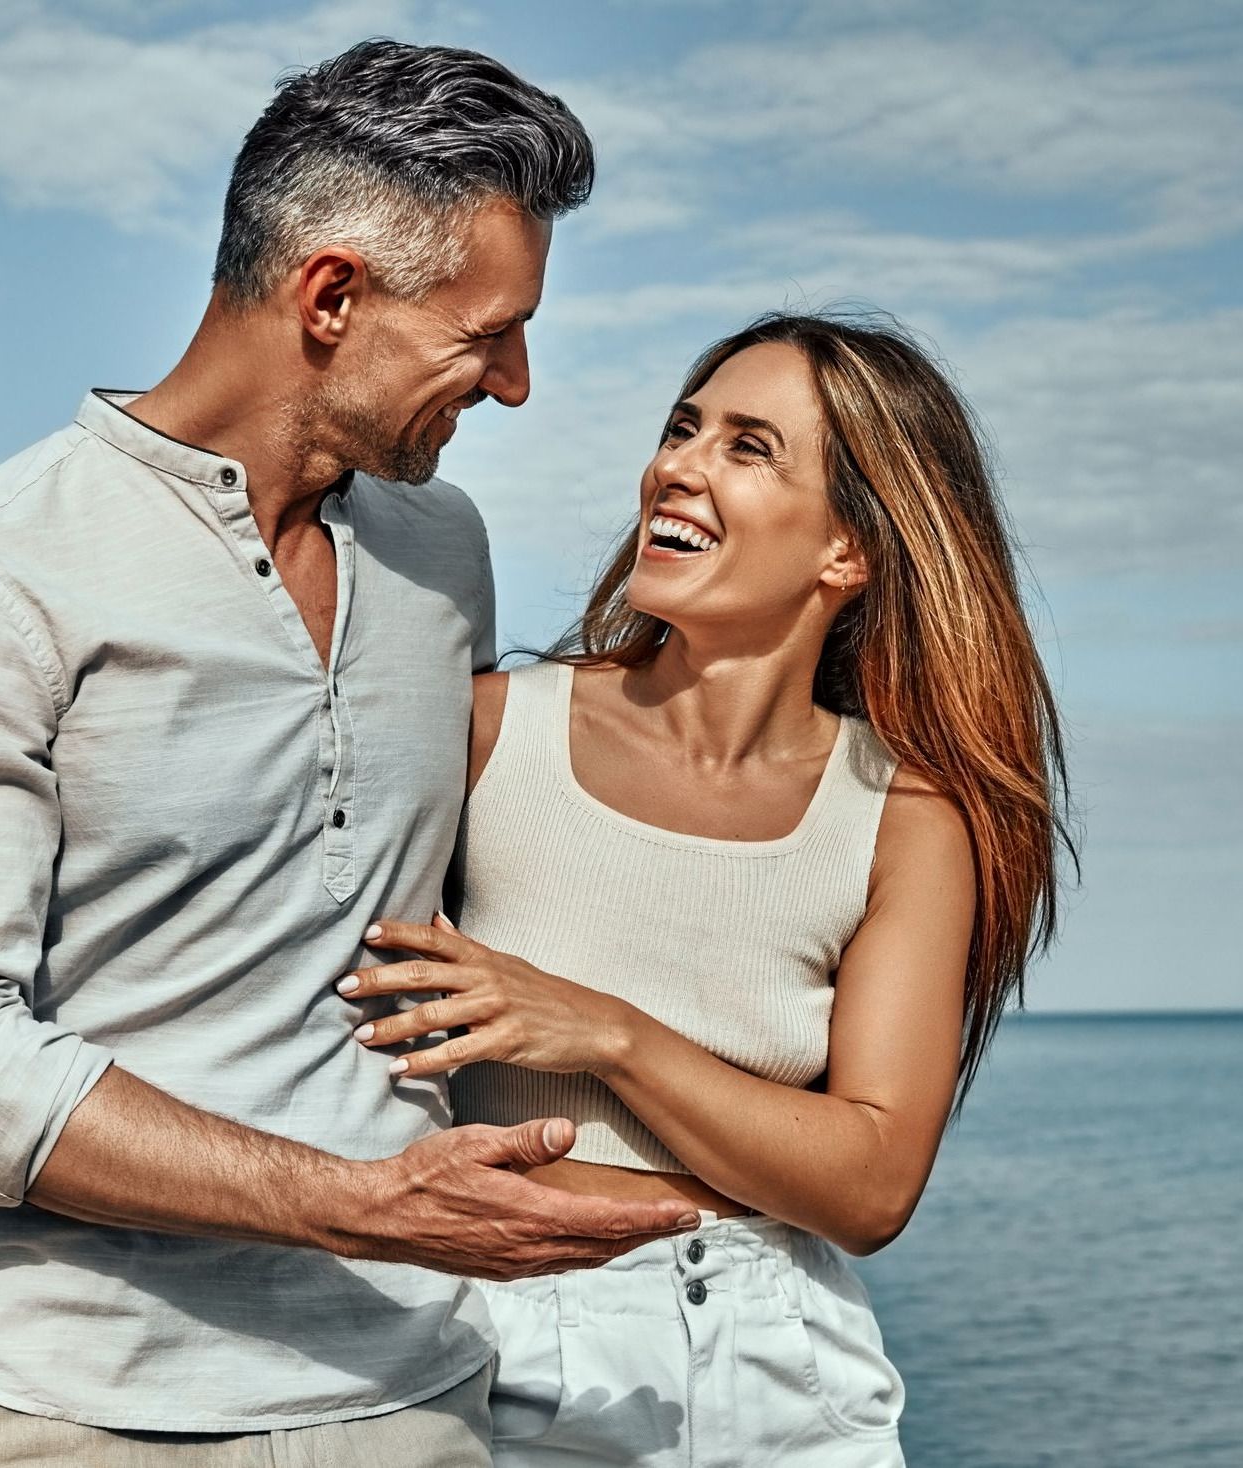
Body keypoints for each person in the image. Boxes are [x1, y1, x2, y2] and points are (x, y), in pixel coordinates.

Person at [0, 39, 698, 1468]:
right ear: (334, 296)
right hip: (65, 1410)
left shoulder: (442, 549)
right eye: (487, 334)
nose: (517, 383)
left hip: (413, 1396)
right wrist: (358, 1200)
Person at [342, 311, 1077, 1465]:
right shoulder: (489, 729)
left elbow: (873, 1184)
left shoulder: (904, 816)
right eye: (684, 428)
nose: (677, 465)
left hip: (785, 1359)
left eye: (749, 447)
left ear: (847, 552)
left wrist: (607, 1033)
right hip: (507, 1338)